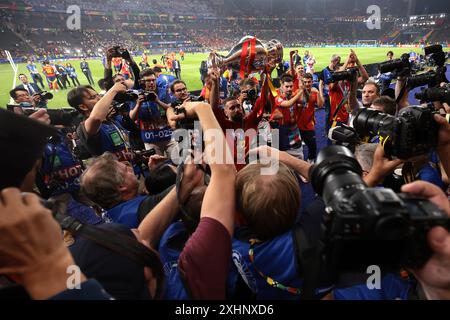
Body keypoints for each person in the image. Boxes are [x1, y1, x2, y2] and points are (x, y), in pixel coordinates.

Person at [67, 83, 135, 164]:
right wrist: (113, 90)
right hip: (112, 175)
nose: (100, 98)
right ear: (83, 107)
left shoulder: (111, 121)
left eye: (98, 95)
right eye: (93, 97)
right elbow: (96, 118)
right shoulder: (85, 126)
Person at [129, 69, 174, 155]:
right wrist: (138, 104)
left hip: (169, 136)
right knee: (157, 166)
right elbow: (132, 117)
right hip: (150, 139)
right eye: (148, 81)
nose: (152, 83)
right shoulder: (137, 95)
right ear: (142, 82)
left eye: (153, 80)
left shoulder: (163, 91)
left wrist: (157, 101)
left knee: (178, 162)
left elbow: (171, 109)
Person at [270, 74, 304, 159]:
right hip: (283, 131)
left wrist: (303, 89)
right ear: (281, 86)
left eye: (291, 86)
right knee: (285, 158)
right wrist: (300, 91)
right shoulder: (277, 97)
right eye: (287, 86)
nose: (289, 88)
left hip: (295, 129)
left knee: (299, 153)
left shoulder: (293, 95)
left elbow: (303, 101)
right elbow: (288, 104)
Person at [297, 73, 324, 162]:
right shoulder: (297, 92)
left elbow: (320, 105)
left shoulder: (314, 92)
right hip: (296, 125)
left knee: (313, 145)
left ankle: (310, 161)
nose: (307, 84)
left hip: (309, 125)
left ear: (312, 82)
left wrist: (318, 92)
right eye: (305, 82)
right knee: (296, 147)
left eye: (309, 82)